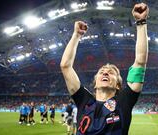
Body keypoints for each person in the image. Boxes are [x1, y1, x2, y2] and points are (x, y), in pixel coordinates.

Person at [60, 3, 149, 135]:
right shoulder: (84, 100)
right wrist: (76, 35)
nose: (105, 72)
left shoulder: (124, 101)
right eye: (101, 71)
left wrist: (141, 22)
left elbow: (140, 62)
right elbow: (65, 66)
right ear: (95, 83)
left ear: (118, 85)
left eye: (111, 72)